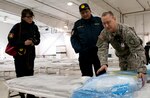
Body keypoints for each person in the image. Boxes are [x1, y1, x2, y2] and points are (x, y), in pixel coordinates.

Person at [96, 11, 147, 83]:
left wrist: (141, 69)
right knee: (124, 75)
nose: (106, 26)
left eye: (108, 22)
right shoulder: (104, 33)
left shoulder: (126, 31)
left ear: (114, 19)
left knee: (134, 75)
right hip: (121, 55)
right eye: (104, 23)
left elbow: (137, 49)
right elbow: (102, 49)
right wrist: (103, 63)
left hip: (132, 54)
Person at [7, 9, 40, 98]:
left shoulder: (35, 27)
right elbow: (10, 39)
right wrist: (23, 43)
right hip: (19, 56)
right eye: (28, 17)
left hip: (30, 56)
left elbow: (38, 40)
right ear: (23, 17)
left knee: (30, 76)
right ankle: (22, 95)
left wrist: (33, 42)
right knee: (21, 76)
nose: (30, 19)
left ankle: (30, 95)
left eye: (31, 16)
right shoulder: (17, 27)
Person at [71, 3, 105, 77]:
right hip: (84, 55)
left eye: (86, 12)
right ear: (80, 13)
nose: (85, 14)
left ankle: (101, 88)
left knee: (101, 76)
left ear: (90, 11)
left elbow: (106, 34)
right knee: (86, 77)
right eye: (82, 13)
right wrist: (79, 49)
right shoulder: (78, 24)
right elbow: (73, 38)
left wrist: (104, 47)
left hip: (98, 54)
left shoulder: (98, 21)